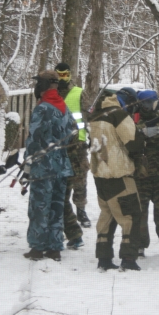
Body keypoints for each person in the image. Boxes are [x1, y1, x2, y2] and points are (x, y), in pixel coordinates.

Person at [88, 89, 144, 272]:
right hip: (118, 174)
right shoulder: (119, 115)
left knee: (107, 216)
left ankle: (103, 258)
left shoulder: (95, 116)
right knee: (131, 216)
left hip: (99, 174)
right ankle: (128, 258)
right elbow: (133, 143)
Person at [23, 70, 76, 262]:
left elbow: (34, 139)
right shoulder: (63, 106)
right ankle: (54, 247)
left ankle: (38, 247)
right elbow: (72, 132)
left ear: (43, 85)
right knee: (56, 206)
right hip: (62, 166)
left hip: (43, 167)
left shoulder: (43, 108)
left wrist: (28, 162)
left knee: (39, 206)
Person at [54, 63, 90, 253]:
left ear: (70, 74)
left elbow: (88, 114)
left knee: (80, 179)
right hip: (59, 145)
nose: (62, 77)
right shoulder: (51, 92)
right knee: (63, 183)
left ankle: (81, 211)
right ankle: (64, 217)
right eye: (59, 74)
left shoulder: (78, 92)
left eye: (65, 74)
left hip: (78, 143)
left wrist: (87, 135)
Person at [134, 90, 159, 257]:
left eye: (151, 102)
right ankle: (139, 246)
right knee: (140, 213)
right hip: (141, 175)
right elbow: (129, 136)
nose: (148, 106)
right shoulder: (133, 118)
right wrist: (142, 131)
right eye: (145, 102)